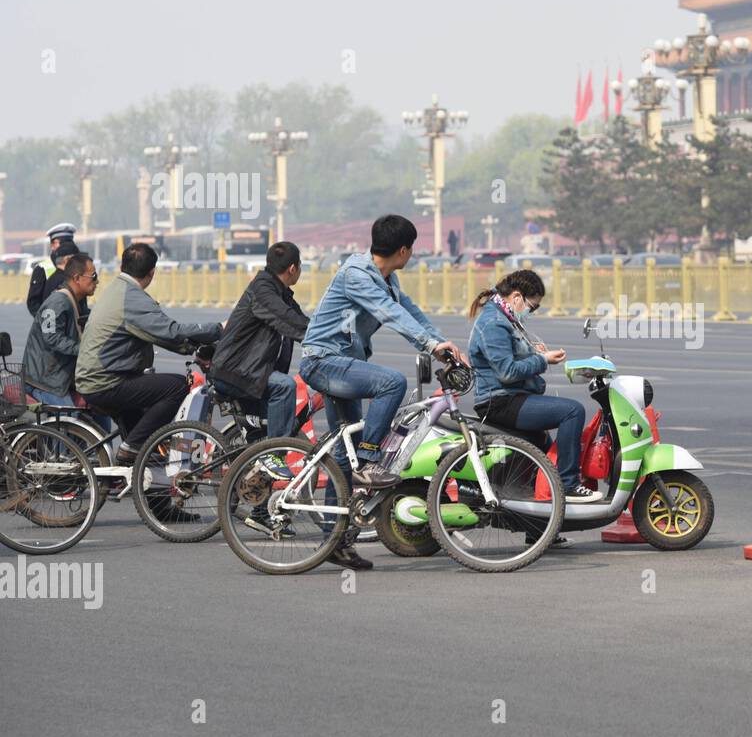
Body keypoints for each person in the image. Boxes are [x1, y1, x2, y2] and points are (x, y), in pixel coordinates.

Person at [299, 215, 464, 570]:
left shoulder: (386, 277)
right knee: (392, 383)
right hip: (325, 361)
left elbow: (409, 310)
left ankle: (335, 542)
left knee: (344, 455)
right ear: (403, 250)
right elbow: (388, 314)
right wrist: (431, 346)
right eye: (413, 249)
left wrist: (440, 341)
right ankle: (373, 461)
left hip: (342, 364)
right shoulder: (357, 274)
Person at [75, 243, 224, 468]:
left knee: (151, 450)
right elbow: (171, 330)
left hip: (104, 377)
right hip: (105, 382)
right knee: (176, 386)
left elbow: (156, 334)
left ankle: (155, 496)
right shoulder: (132, 298)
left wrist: (193, 350)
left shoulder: (119, 289)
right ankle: (130, 447)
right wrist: (218, 329)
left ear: (122, 266)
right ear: (152, 272)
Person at [468, 269, 600, 505]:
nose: (532, 312)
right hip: (500, 401)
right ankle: (569, 485)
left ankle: (539, 530)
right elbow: (507, 372)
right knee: (573, 411)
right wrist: (542, 359)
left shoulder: (506, 317)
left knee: (546, 459)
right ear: (517, 297)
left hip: (512, 397)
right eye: (533, 306)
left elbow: (512, 359)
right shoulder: (493, 323)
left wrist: (534, 353)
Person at [209, 242, 309, 448]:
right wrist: (318, 340)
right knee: (285, 386)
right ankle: (275, 454)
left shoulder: (280, 291)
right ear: (293, 268)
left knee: (271, 423)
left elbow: (303, 320)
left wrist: (330, 336)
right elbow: (290, 321)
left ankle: (257, 459)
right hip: (237, 370)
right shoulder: (263, 290)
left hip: (250, 371)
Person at [21, 253, 110, 432]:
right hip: (43, 378)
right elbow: (52, 338)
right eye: (93, 276)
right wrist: (85, 350)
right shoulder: (57, 302)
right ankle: (62, 457)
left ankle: (98, 456)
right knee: (69, 415)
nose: (97, 281)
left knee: (103, 406)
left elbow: (91, 321)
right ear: (77, 278)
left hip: (63, 375)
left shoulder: (76, 301)